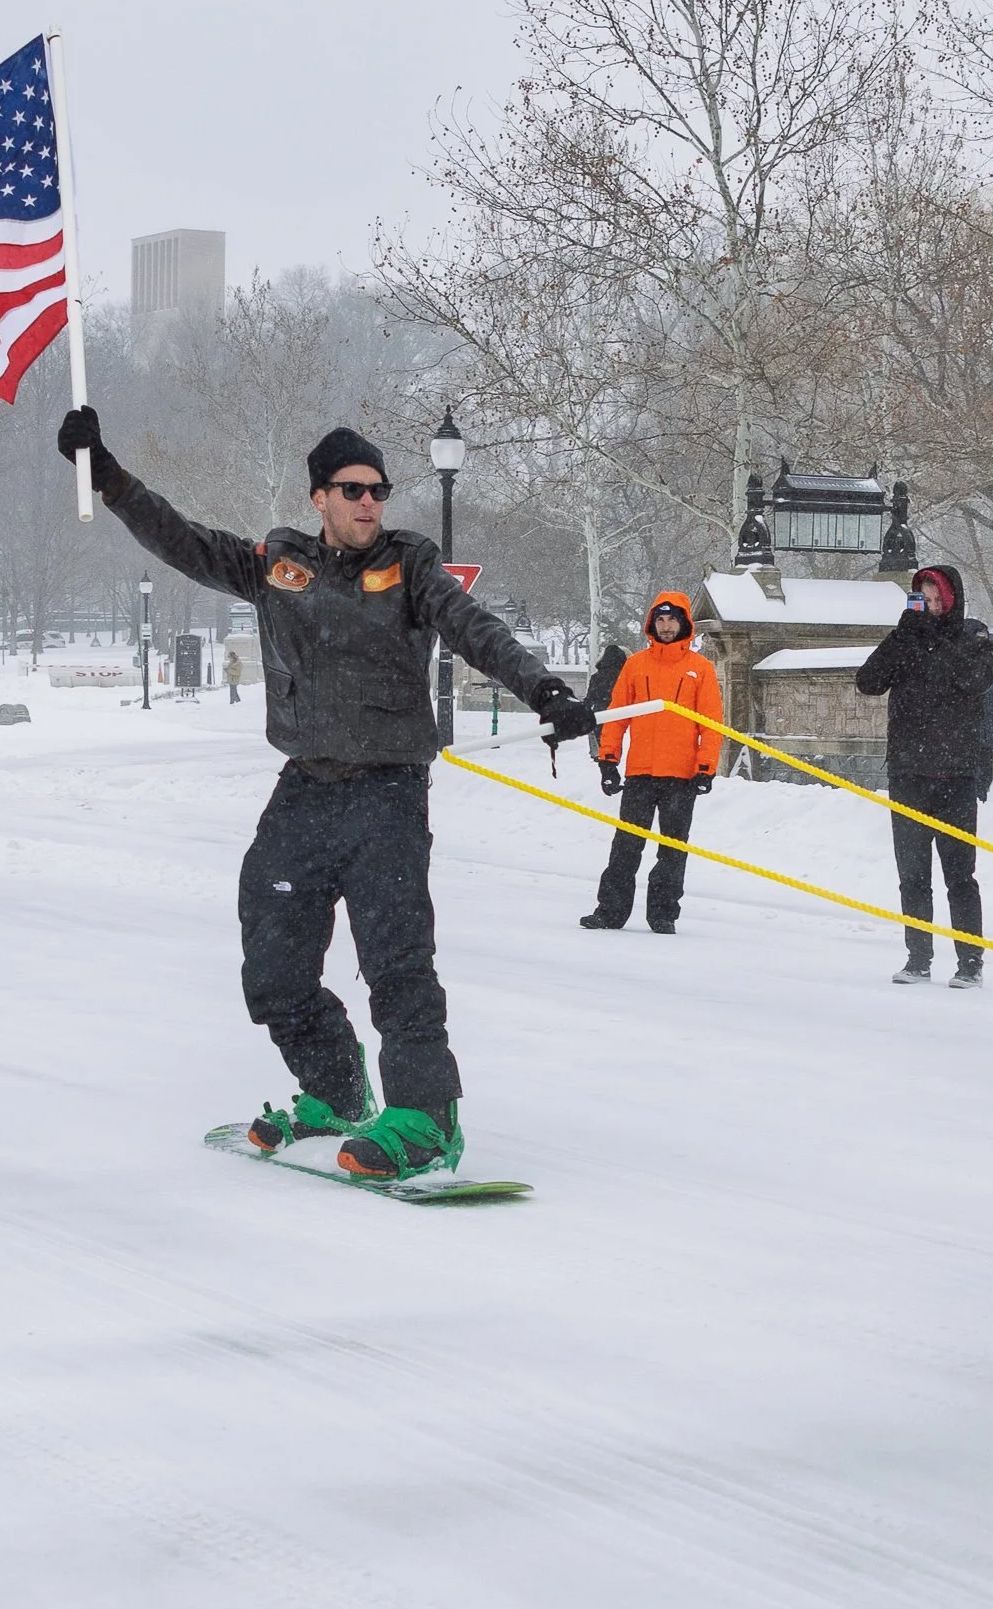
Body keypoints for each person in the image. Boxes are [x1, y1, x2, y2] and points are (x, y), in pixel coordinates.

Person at [57, 405, 595, 1181]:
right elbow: (183, 542)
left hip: (387, 794)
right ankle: (337, 1091)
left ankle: (428, 1120)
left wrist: (545, 690)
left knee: (397, 961)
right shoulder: (280, 565)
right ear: (320, 497)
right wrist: (106, 476)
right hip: (304, 791)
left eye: (379, 489)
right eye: (352, 489)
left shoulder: (411, 568)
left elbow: (474, 627)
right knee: (273, 967)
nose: (369, 502)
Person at [855, 565, 993, 988]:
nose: (932, 607)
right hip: (909, 774)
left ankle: (970, 962)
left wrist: (937, 640)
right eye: (924, 599)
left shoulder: (974, 637)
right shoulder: (907, 638)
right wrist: (902, 637)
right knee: (913, 876)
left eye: (938, 600)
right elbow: (868, 682)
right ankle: (918, 958)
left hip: (956, 776)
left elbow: (975, 680)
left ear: (952, 600)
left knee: (960, 876)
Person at [580, 592, 723, 935]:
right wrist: (608, 760)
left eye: (672, 619)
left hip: (681, 776)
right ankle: (610, 912)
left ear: (684, 623)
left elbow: (712, 723)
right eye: (660, 619)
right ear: (651, 624)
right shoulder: (636, 665)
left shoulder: (700, 669)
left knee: (672, 849)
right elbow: (616, 716)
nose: (666, 626)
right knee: (625, 846)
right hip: (640, 773)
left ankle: (663, 914)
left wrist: (706, 767)